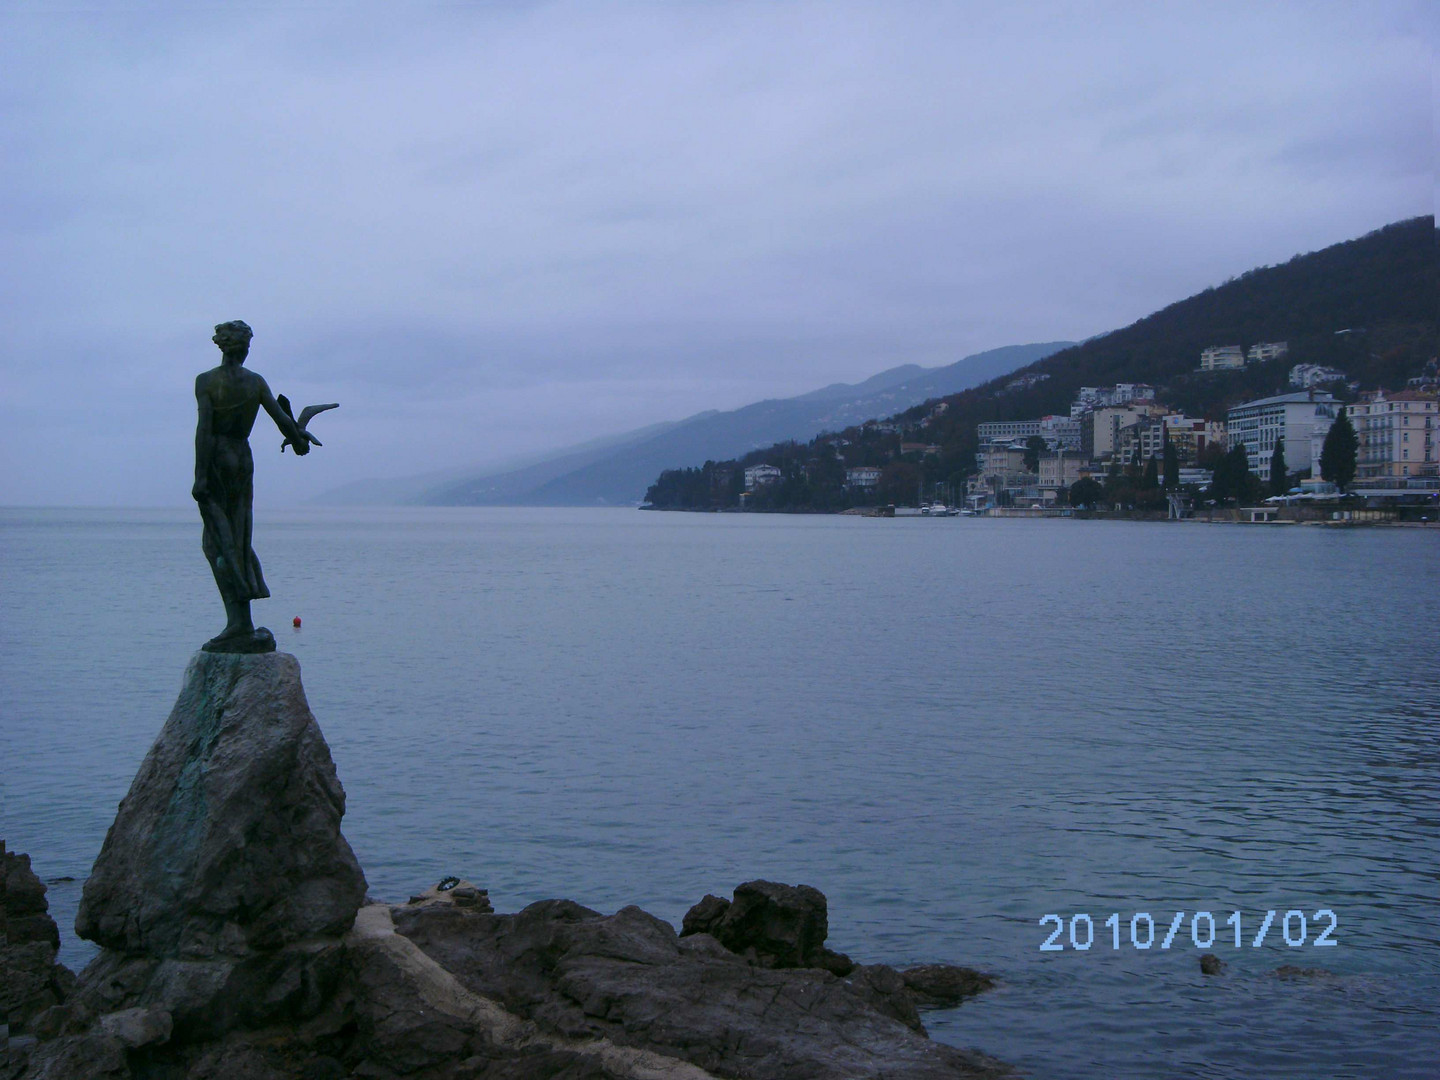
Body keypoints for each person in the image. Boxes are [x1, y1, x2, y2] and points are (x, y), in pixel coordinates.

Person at [192, 321, 315, 652]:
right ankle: (241, 621)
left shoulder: (206, 381)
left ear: (222, 346)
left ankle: (239, 623)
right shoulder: (255, 382)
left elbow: (204, 430)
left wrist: (200, 476)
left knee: (216, 543)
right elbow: (283, 420)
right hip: (242, 461)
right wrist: (298, 439)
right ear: (244, 347)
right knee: (239, 536)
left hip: (217, 460)